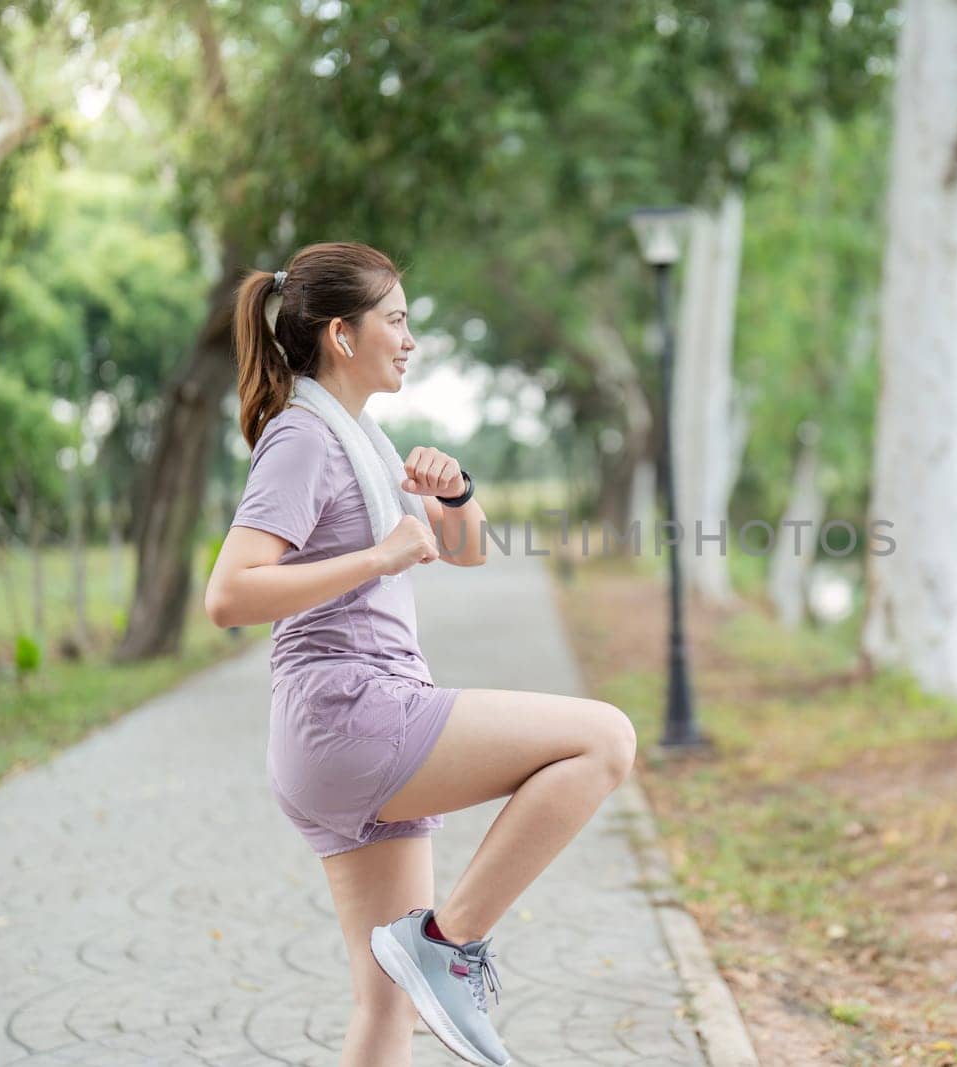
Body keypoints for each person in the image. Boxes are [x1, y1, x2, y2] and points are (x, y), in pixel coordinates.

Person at [203, 241, 638, 1067]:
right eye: (396, 321)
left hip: (331, 737)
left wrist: (456, 494)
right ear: (341, 334)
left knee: (385, 1008)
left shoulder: (359, 435)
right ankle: (449, 942)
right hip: (352, 714)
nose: (409, 339)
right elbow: (228, 594)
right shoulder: (304, 439)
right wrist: (378, 556)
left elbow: (468, 552)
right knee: (603, 737)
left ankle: (432, 953)